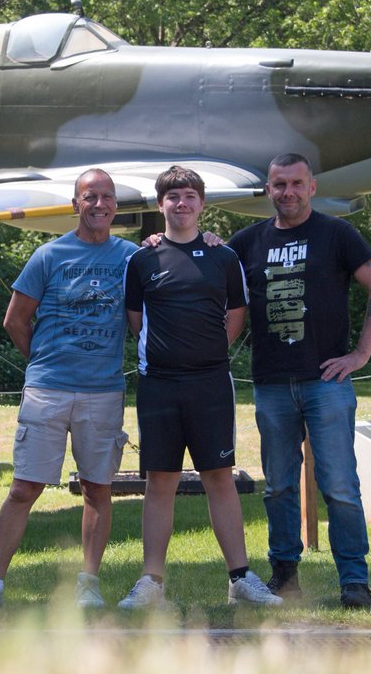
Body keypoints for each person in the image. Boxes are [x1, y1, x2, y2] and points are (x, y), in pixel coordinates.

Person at [0, 169, 137, 609]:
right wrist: (43, 361)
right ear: (75, 204)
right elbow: (15, 320)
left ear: (115, 205)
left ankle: (88, 585)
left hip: (103, 391)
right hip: (48, 390)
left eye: (107, 197)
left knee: (98, 489)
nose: (98, 204)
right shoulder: (49, 255)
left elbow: (144, 317)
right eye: (89, 196)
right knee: (24, 488)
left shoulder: (131, 257)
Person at [227, 152, 371, 609]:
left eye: (297, 183)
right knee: (279, 485)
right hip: (272, 383)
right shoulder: (246, 243)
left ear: (312, 187)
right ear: (268, 189)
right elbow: (204, 267)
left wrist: (359, 355)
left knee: (340, 485)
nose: (288, 192)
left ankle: (355, 583)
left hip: (327, 383)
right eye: (279, 184)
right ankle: (284, 577)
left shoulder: (337, 234)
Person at [117, 166, 282, 609]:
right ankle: (152, 582)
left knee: (219, 478)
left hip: (210, 384)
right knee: (160, 482)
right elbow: (137, 320)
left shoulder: (224, 257)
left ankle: (240, 578)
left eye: (190, 196)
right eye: (173, 197)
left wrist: (205, 351)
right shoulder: (142, 259)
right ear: (160, 204)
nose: (182, 204)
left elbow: (236, 315)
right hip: (159, 386)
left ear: (202, 204)